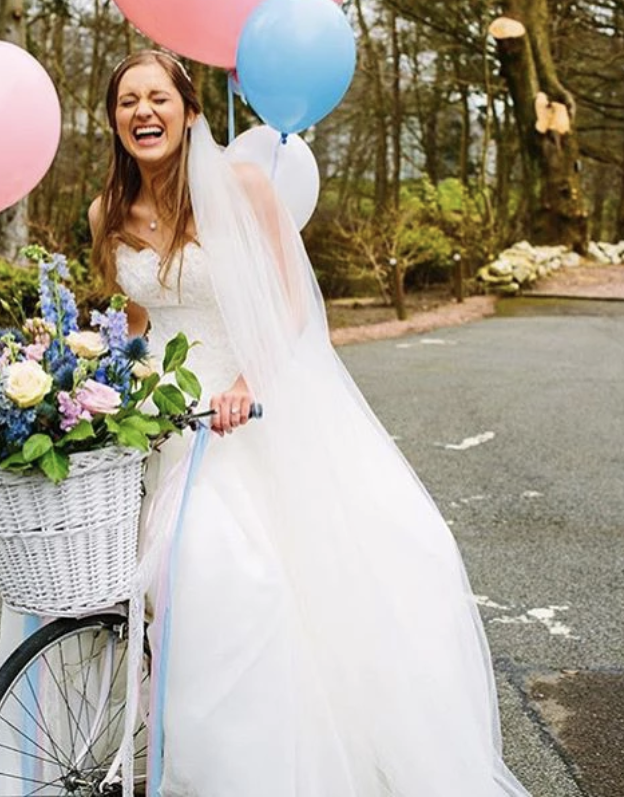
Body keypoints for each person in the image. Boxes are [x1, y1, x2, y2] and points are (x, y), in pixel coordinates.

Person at [87, 48, 533, 797]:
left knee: (228, 578)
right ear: (113, 121)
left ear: (190, 110)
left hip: (243, 413)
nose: (143, 112)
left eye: (157, 97)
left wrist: (243, 380)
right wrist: (101, 377)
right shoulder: (106, 213)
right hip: (162, 424)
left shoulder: (244, 187)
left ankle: (250, 772)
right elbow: (138, 318)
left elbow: (291, 304)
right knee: (155, 598)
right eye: (127, 101)